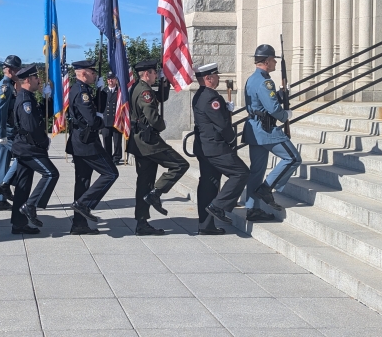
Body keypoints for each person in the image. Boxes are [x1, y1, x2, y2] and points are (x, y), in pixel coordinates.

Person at [127, 59, 189, 236]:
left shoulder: (137, 87)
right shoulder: (145, 91)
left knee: (144, 183)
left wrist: (165, 82)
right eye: (155, 73)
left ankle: (142, 222)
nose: (156, 75)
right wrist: (162, 124)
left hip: (140, 141)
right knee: (180, 164)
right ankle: (157, 192)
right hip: (149, 142)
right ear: (147, 73)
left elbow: (161, 97)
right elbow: (153, 118)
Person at [243, 44, 301, 222]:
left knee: (256, 171)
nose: (275, 62)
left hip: (254, 129)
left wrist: (280, 94)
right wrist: (286, 115)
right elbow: (273, 108)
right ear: (267, 61)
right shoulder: (264, 81)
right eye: (273, 59)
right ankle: (266, 188)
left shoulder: (252, 79)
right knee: (293, 158)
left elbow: (260, 101)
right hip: (266, 129)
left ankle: (252, 209)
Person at [191, 63, 250, 235]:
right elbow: (222, 125)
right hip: (215, 147)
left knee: (208, 185)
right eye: (216, 75)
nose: (219, 78)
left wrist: (224, 108)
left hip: (203, 147)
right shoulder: (212, 97)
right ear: (208, 78)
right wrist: (232, 138)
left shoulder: (199, 95)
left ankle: (206, 225)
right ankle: (218, 206)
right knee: (241, 173)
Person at [65, 60, 119, 235]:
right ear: (82, 73)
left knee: (82, 182)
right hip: (87, 143)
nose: (95, 75)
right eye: (92, 72)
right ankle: (83, 204)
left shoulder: (83, 90)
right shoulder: (82, 93)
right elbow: (93, 120)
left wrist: (101, 94)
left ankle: (78, 224)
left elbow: (96, 109)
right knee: (111, 173)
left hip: (79, 141)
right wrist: (103, 120)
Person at [10, 64, 59, 234]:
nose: (39, 80)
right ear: (28, 79)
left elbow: (44, 115)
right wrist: (43, 141)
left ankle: (18, 223)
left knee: (23, 186)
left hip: (25, 147)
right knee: (51, 174)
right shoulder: (25, 100)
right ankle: (30, 206)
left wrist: (48, 99)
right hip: (29, 148)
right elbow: (31, 126)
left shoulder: (29, 96)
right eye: (36, 78)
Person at [0, 55, 21, 211]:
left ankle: (0, 199)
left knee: (2, 164)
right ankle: (3, 191)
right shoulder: (5, 86)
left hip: (9, 131)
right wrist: (0, 134)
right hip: (6, 132)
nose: (19, 72)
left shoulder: (10, 84)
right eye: (17, 69)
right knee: (23, 155)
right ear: (10, 70)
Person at [98, 71, 123, 164]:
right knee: (106, 140)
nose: (110, 81)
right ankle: (108, 157)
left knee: (117, 141)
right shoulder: (103, 91)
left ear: (116, 80)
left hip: (116, 120)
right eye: (109, 79)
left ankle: (116, 158)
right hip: (106, 120)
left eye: (112, 79)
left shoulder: (120, 92)